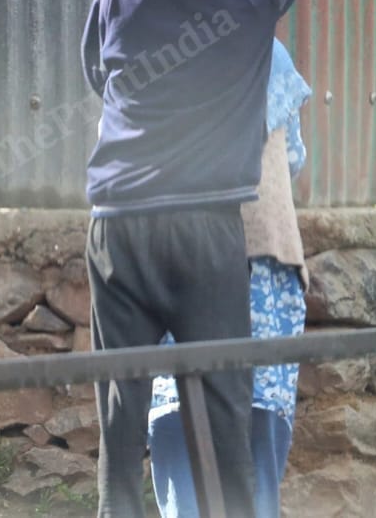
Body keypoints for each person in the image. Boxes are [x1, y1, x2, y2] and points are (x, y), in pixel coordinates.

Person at [80, 0, 347, 517]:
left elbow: (101, 75)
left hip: (117, 220)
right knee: (223, 417)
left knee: (119, 419)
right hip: (203, 225)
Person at [147, 37, 313, 518]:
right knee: (257, 434)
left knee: (180, 422)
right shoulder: (266, 47)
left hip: (179, 265)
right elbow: (292, 157)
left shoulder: (157, 46)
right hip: (263, 263)